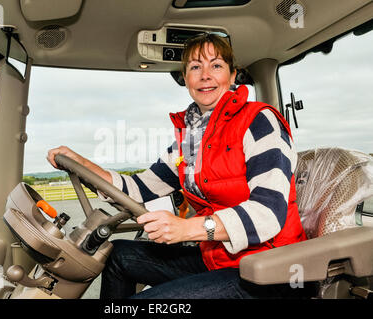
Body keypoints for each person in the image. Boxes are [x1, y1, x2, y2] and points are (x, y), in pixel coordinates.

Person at [47, 33, 307, 299]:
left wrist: (185, 229)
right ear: (186, 79)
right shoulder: (191, 139)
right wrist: (83, 164)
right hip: (219, 259)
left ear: (232, 76)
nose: (205, 75)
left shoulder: (259, 121)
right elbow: (139, 187)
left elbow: (268, 212)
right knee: (119, 255)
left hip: (272, 271)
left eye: (216, 65)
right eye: (195, 67)